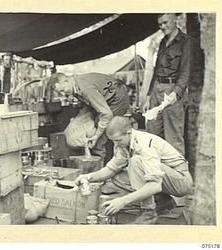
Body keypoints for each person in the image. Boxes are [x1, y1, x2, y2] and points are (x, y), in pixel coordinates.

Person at [75, 116, 193, 224]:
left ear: (128, 133)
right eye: (113, 141)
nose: (115, 144)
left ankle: (149, 214)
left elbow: (155, 185)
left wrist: (122, 201)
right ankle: (163, 202)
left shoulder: (144, 145)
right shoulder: (124, 143)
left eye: (118, 140)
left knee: (136, 162)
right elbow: (110, 169)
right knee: (117, 176)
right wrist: (88, 177)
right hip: (165, 178)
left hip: (181, 180)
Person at [47, 72, 130, 162]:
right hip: (106, 98)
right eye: (61, 92)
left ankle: (101, 167)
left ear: (66, 80)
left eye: (63, 90)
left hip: (117, 100)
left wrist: (97, 135)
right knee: (85, 124)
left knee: (100, 137)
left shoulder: (85, 88)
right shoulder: (75, 84)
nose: (64, 94)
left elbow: (106, 114)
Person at [143, 13, 194, 156]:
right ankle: (158, 173)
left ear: (175, 19)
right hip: (157, 89)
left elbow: (186, 72)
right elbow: (156, 70)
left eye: (165, 23)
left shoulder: (186, 41)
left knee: (174, 137)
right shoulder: (162, 42)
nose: (163, 27)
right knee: (152, 134)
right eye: (160, 25)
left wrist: (176, 93)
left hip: (173, 91)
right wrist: (148, 96)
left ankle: (180, 175)